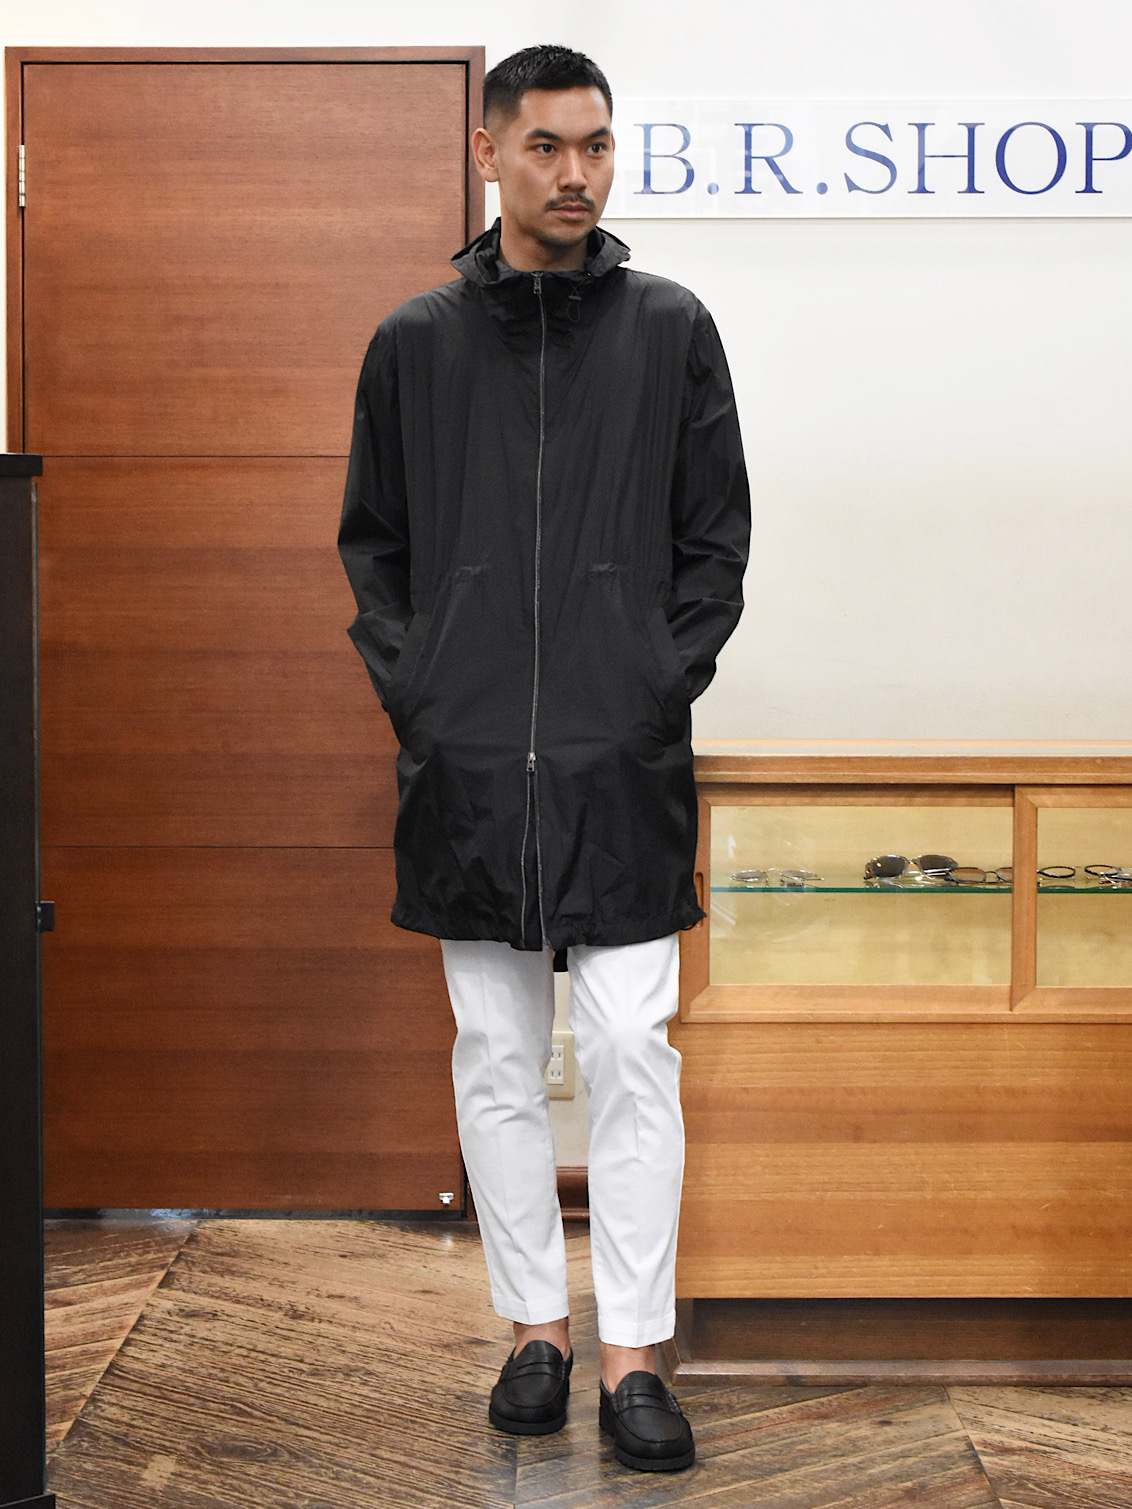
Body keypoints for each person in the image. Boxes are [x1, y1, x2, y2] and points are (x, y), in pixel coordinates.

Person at [338, 43, 749, 1474]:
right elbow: (375, 551)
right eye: (548, 146)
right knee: (498, 1059)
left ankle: (635, 1350)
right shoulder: (413, 343)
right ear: (490, 152)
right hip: (467, 767)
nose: (577, 174)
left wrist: (647, 690)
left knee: (633, 1051)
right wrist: (428, 698)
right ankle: (535, 1331)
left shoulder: (670, 329)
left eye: (597, 146)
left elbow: (714, 546)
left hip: (618, 762)